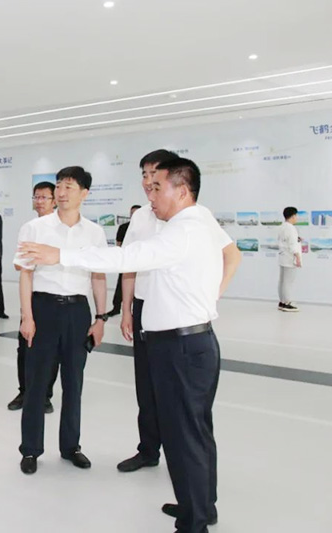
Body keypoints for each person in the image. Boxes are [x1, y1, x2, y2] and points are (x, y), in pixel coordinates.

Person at [20, 157, 238, 533]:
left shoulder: (183, 230)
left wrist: (61, 255)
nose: (150, 195)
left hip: (181, 347)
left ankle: (195, 522)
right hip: (188, 342)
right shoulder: (200, 219)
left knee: (185, 436)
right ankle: (199, 506)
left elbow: (128, 257)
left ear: (182, 191)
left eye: (158, 187)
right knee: (194, 432)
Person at [116, 150, 240, 479]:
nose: (148, 182)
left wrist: (211, 294)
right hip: (146, 309)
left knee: (181, 405)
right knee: (147, 387)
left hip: (177, 318)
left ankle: (190, 482)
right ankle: (148, 449)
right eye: (144, 175)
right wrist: (127, 310)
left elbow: (232, 255)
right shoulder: (142, 217)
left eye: (154, 176)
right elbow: (128, 266)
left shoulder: (193, 217)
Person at [13, 167, 108, 475]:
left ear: (84, 193)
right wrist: (27, 316)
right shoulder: (35, 228)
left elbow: (98, 276)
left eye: (69, 186)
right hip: (43, 308)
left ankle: (71, 446)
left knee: (74, 383)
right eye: (59, 186)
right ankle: (30, 449)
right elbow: (25, 275)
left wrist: (100, 318)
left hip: (78, 311)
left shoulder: (94, 233)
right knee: (37, 384)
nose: (62, 192)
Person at [7, 181, 58, 413]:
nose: (39, 201)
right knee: (25, 347)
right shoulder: (29, 228)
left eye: (44, 197)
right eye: (36, 197)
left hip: (54, 297)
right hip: (32, 297)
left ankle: (45, 395)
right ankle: (24, 391)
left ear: (54, 200)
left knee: (52, 352)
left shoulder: (60, 229)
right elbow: (20, 265)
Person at [107, 205, 140, 316]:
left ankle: (135, 310)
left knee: (138, 287)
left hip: (140, 263)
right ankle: (116, 308)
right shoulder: (123, 227)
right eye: (132, 213)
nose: (134, 216)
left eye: (136, 213)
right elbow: (119, 244)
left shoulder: (145, 228)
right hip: (126, 261)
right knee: (121, 286)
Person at [277, 206, 302, 312]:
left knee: (282, 281)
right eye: (296, 216)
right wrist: (298, 257)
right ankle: (287, 303)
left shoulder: (282, 226)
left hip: (283, 257)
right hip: (290, 258)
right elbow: (292, 245)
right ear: (293, 216)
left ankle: (282, 302)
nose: (297, 218)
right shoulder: (291, 228)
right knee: (288, 282)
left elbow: (285, 241)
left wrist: (297, 239)